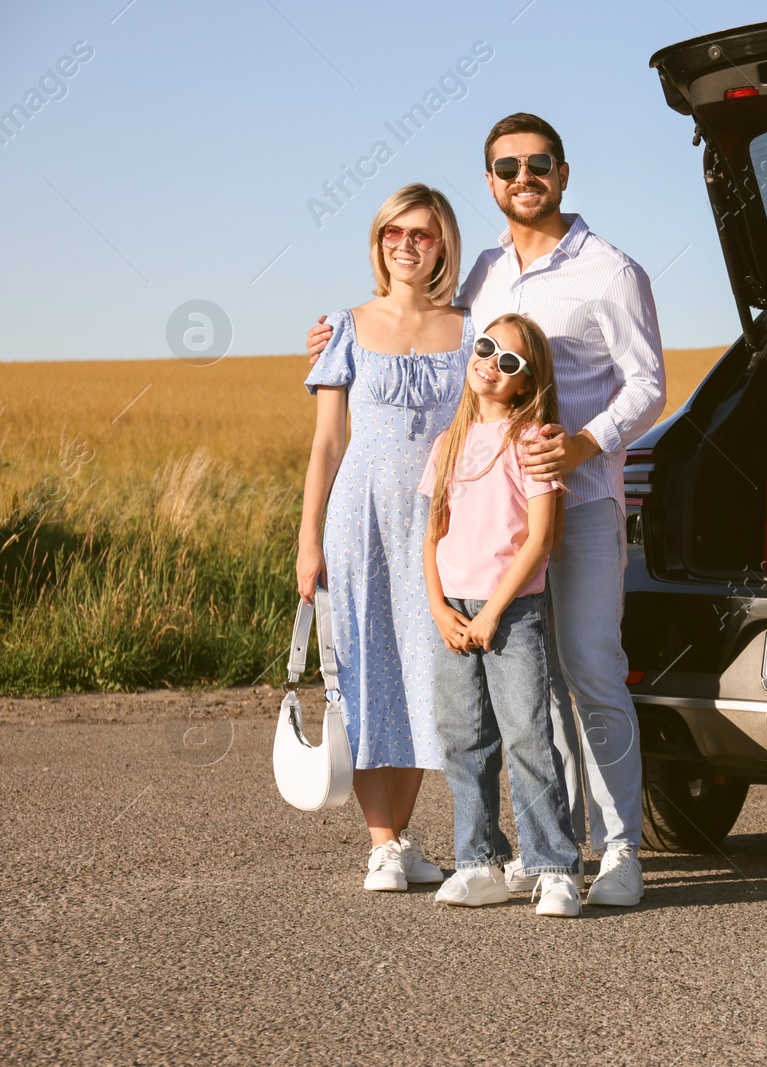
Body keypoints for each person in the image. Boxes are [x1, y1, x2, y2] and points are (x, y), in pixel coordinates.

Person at [308, 113, 665, 907]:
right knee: (527, 689)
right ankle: (549, 852)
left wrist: (583, 443)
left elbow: (648, 385)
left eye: (539, 164)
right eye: (507, 168)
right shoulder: (486, 279)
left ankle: (620, 850)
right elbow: (439, 346)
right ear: (492, 183)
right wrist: (338, 340)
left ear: (564, 173)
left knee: (590, 669)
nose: (523, 178)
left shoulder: (612, 271)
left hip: (585, 499)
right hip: (493, 524)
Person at [297, 183, 470, 892]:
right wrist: (308, 539)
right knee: (368, 670)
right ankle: (382, 843)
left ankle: (403, 840)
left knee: (430, 676)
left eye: (421, 234)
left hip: (438, 522)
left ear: (442, 245)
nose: (406, 244)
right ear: (379, 243)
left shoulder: (470, 328)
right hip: (359, 516)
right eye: (394, 233)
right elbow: (327, 442)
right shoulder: (344, 325)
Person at [421, 314, 583, 916]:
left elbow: (539, 540)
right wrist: (439, 606)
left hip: (510, 612)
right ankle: (478, 861)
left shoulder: (532, 441)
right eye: (486, 348)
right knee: (463, 739)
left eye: (509, 361)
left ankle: (554, 867)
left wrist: (493, 612)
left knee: (525, 737)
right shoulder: (448, 443)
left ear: (526, 381)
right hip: (454, 613)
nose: (491, 362)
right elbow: (430, 534)